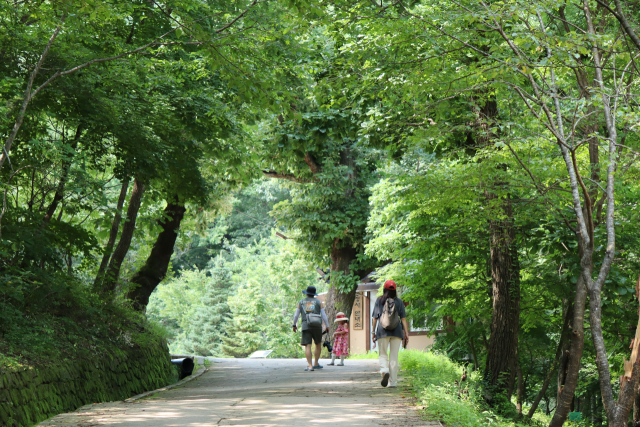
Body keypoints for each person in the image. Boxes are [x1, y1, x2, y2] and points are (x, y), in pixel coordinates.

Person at [371, 280, 409, 388]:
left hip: (382, 331)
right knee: (394, 357)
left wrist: (373, 332)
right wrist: (406, 333)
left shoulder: (380, 300)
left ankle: (384, 370)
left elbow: (375, 318)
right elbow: (403, 319)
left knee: (383, 354)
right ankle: (393, 383)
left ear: (384, 289)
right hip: (397, 332)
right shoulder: (399, 302)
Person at [293, 285, 329, 371]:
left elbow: (296, 315)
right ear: (314, 294)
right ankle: (316, 363)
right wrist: (327, 325)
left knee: (308, 346)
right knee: (318, 344)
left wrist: (294, 325)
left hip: (306, 326)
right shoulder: (318, 302)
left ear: (306, 293)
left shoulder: (301, 302)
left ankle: (310, 366)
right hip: (317, 325)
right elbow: (323, 315)